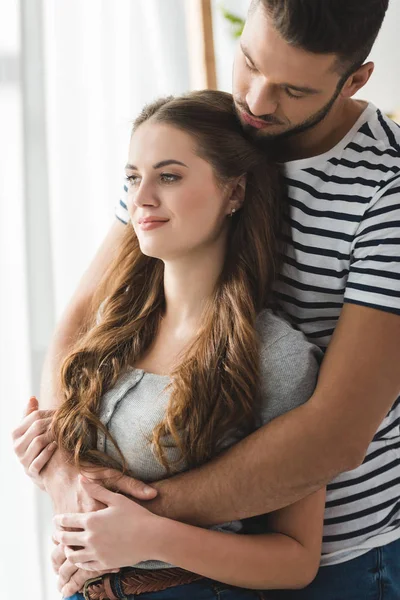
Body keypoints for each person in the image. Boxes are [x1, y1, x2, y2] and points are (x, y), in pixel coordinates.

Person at [12, 0, 400, 598]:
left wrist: (132, 522)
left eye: (293, 89)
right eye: (249, 63)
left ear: (355, 79)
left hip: (339, 558)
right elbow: (84, 320)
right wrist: (69, 481)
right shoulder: (205, 138)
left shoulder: (388, 192)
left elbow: (335, 435)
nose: (259, 102)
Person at [19, 89, 325, 600]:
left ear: (234, 192)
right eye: (133, 178)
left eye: (169, 176)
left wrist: (151, 535)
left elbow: (295, 559)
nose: (140, 199)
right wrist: (52, 463)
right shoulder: (109, 329)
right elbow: (88, 498)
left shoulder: (276, 356)